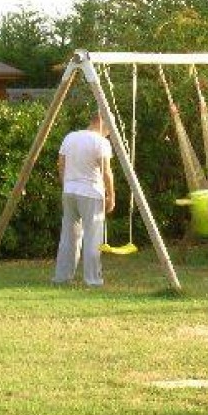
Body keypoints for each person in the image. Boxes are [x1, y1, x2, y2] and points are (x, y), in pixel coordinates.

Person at [52, 111, 115, 287]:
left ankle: (62, 277)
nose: (109, 132)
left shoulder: (70, 137)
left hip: (70, 190)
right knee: (93, 237)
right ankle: (93, 280)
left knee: (69, 236)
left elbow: (61, 165)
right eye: (109, 128)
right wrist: (111, 196)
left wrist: (66, 185)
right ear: (102, 123)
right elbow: (106, 173)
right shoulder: (101, 142)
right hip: (91, 192)